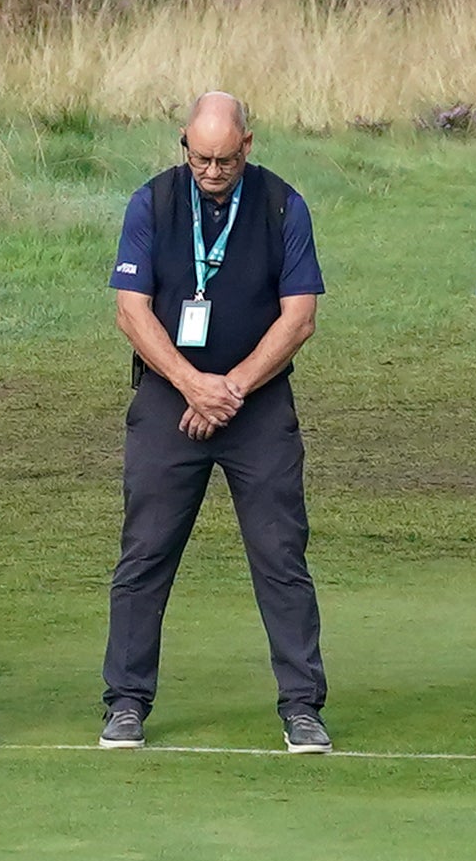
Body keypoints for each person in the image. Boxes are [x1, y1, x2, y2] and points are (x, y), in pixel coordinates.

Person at [102, 93, 332, 751]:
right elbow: (131, 312)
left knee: (281, 554)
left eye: (225, 159)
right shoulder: (152, 202)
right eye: (200, 157)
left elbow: (300, 317)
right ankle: (125, 701)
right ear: (184, 144)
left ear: (248, 146)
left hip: (256, 405)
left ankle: (302, 706)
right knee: (145, 552)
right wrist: (191, 386)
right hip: (168, 399)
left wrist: (229, 389)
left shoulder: (284, 204)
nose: (211, 170)